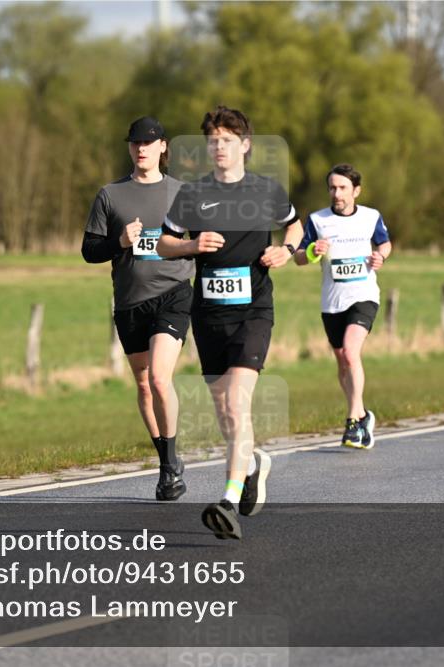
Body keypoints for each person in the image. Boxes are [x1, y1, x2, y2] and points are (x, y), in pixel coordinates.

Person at [158, 106, 303, 539]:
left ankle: (227, 500)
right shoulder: (192, 195)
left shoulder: (266, 191)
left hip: (253, 312)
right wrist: (191, 246)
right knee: (224, 409)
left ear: (245, 145)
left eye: (227, 139)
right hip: (208, 314)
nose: (219, 147)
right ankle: (254, 461)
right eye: (213, 140)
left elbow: (295, 228)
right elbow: (164, 244)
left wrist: (285, 251)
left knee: (238, 402)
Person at [81, 116, 193, 501]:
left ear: (163, 147)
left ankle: (170, 464)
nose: (141, 148)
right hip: (130, 301)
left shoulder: (182, 193)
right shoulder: (110, 196)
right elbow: (89, 252)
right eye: (134, 143)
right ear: (129, 148)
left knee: (161, 378)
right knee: (144, 385)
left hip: (174, 293)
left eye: (149, 142)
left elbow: (207, 242)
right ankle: (167, 461)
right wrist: (120, 242)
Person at [294, 163, 391, 449]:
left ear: (356, 191)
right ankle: (362, 415)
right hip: (332, 301)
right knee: (342, 360)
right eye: (332, 188)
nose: (336, 193)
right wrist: (313, 251)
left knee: (351, 350)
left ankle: (351, 421)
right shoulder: (317, 220)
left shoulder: (371, 217)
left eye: (343, 188)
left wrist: (380, 257)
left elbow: (385, 244)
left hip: (363, 296)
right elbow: (299, 257)